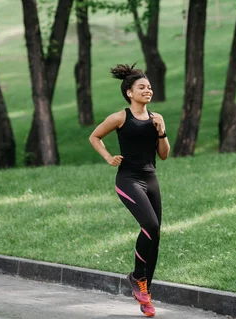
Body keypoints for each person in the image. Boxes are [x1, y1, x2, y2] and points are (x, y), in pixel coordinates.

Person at [89, 63, 170, 317]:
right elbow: (94, 136)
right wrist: (107, 157)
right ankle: (136, 277)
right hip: (128, 179)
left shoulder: (156, 118)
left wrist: (161, 131)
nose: (148, 90)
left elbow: (164, 155)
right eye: (142, 87)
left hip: (151, 178)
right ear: (129, 93)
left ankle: (146, 295)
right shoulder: (121, 117)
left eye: (149, 87)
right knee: (151, 226)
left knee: (155, 238)